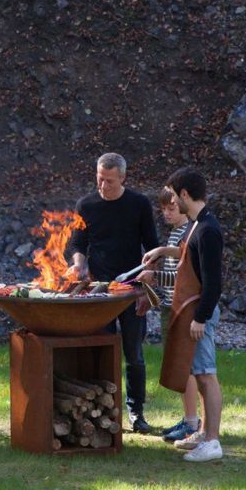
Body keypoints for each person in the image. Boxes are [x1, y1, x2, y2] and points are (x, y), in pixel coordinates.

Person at [67, 152, 159, 433]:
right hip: (99, 291)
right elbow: (74, 243)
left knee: (134, 354)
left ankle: (136, 412)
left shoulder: (139, 204)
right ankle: (104, 411)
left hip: (130, 289)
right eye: (99, 178)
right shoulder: (86, 205)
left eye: (108, 180)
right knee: (101, 351)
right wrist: (78, 261)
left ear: (122, 177)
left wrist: (145, 288)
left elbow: (152, 248)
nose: (102, 185)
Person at [137, 167, 224, 462]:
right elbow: (187, 253)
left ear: (185, 194)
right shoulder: (199, 225)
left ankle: (212, 441)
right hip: (194, 311)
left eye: (175, 196)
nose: (173, 201)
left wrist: (201, 317)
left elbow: (214, 282)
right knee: (199, 375)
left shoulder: (209, 229)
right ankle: (203, 433)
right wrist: (162, 251)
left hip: (200, 312)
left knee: (206, 375)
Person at [138, 187, 202, 443]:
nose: (166, 213)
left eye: (171, 208)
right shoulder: (175, 233)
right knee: (179, 366)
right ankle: (189, 418)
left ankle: (192, 422)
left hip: (182, 307)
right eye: (163, 208)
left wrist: (155, 277)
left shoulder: (187, 233)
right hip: (169, 306)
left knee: (186, 366)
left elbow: (184, 278)